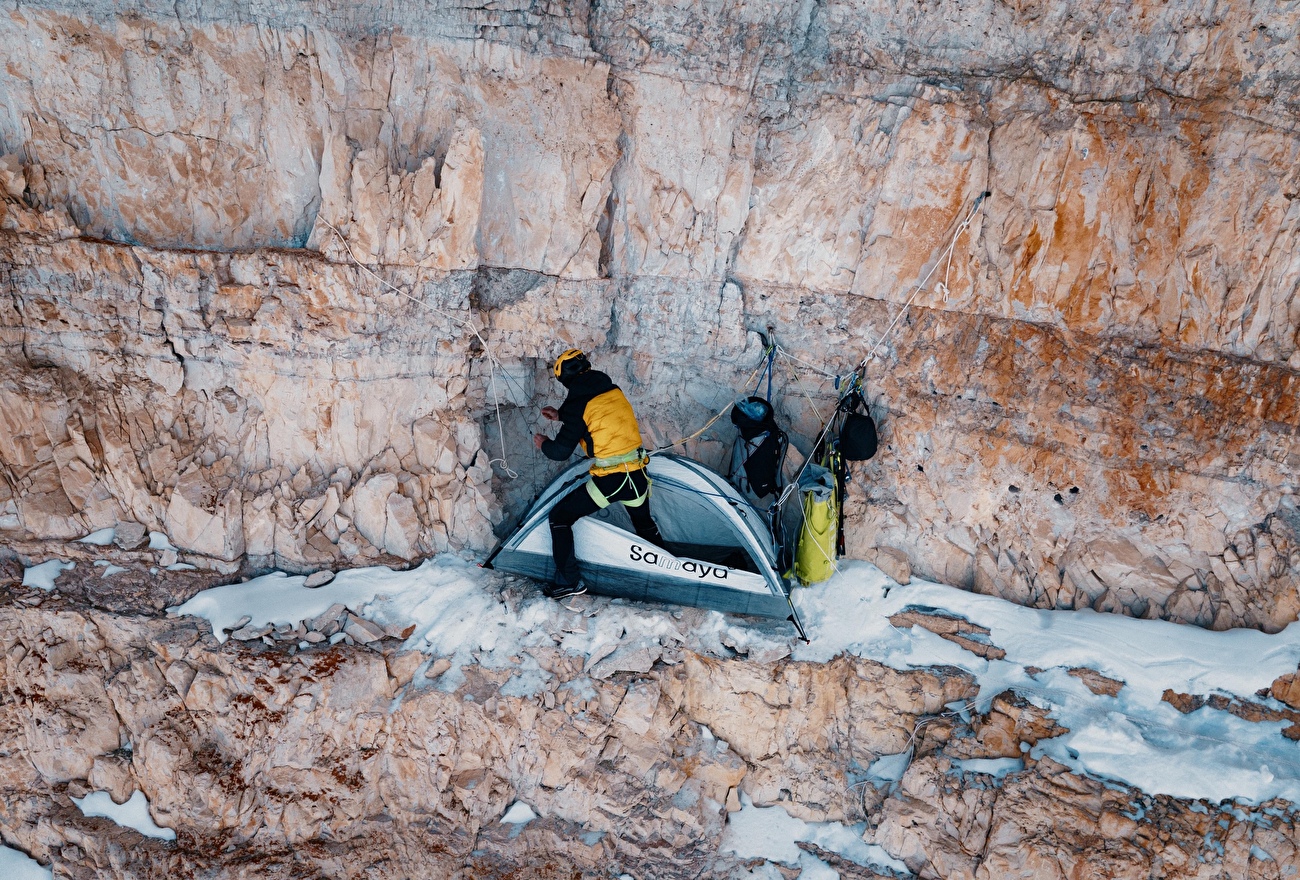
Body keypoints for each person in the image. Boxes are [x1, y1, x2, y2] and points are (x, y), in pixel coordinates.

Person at [533, 349, 663, 598]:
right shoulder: (612, 389)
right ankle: (668, 572)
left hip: (613, 480)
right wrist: (561, 415)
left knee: (560, 518)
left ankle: (569, 581)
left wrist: (544, 444)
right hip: (637, 475)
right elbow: (596, 415)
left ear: (564, 378)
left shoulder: (577, 405)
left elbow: (560, 452)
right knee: (645, 525)